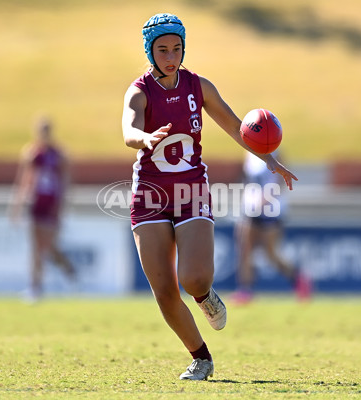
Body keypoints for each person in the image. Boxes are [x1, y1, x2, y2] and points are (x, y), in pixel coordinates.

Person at [121, 13, 298, 381]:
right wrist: (144, 139)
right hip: (149, 196)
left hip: (191, 192)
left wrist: (271, 161)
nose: (171, 56)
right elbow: (129, 128)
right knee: (165, 291)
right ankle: (201, 358)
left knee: (195, 279)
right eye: (163, 49)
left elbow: (237, 128)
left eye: (177, 48)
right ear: (150, 52)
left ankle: (204, 296)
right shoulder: (139, 90)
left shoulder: (198, 86)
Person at [230, 151, 312, 305]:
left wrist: (266, 198)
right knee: (244, 247)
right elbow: (250, 181)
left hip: (271, 209)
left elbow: (282, 178)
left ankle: (298, 279)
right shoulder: (248, 153)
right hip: (251, 208)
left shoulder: (274, 151)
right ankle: (245, 290)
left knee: (271, 253)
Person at [9, 116, 76, 303]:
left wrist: (62, 206)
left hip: (51, 204)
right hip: (36, 204)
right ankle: (35, 287)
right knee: (36, 247)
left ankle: (69, 270)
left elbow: (65, 181)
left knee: (49, 247)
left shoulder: (59, 154)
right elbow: (24, 180)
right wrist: (17, 205)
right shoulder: (32, 153)